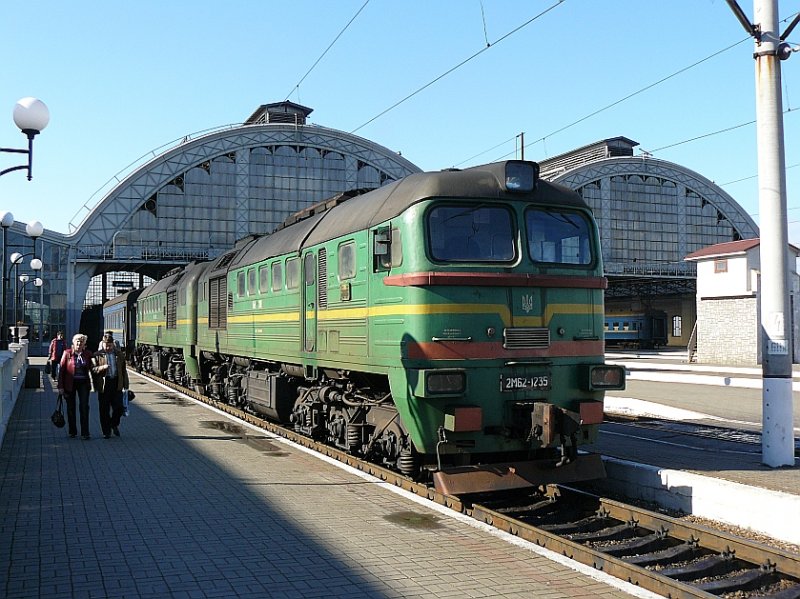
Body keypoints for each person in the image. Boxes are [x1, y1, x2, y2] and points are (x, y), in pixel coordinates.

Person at [91, 333, 129, 439]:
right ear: (102, 344)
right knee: (104, 409)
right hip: (104, 385)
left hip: (116, 383)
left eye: (110, 345)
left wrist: (126, 385)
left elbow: (123, 370)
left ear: (113, 344)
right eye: (106, 345)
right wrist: (102, 368)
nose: (108, 347)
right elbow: (93, 369)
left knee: (119, 408)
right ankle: (106, 432)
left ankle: (113, 424)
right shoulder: (97, 355)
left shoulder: (119, 354)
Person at [57, 334, 94, 439]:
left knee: (84, 407)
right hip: (70, 384)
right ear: (73, 342)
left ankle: (85, 433)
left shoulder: (88, 354)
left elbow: (93, 367)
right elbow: (61, 371)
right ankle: (72, 431)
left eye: (81, 342)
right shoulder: (67, 353)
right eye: (77, 341)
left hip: (83, 383)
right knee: (71, 407)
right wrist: (60, 387)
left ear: (84, 344)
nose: (79, 343)